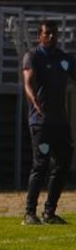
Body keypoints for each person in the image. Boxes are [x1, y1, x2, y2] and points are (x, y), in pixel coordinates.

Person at [21, 20, 76, 225]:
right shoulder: (33, 56)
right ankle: (29, 212)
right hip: (41, 122)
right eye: (47, 33)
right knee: (41, 164)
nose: (51, 37)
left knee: (63, 163)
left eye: (54, 33)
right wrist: (33, 98)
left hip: (60, 123)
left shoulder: (63, 59)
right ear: (40, 36)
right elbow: (27, 81)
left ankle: (49, 211)